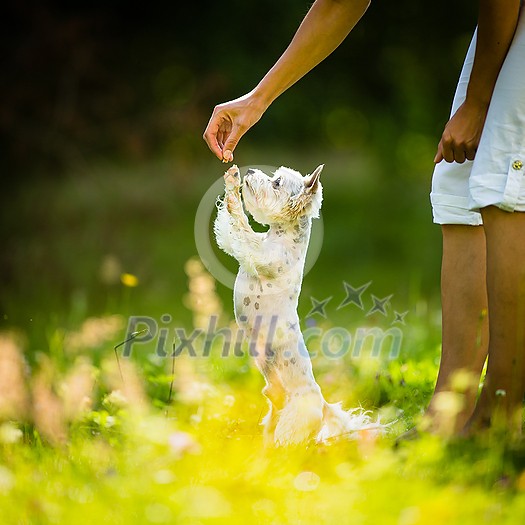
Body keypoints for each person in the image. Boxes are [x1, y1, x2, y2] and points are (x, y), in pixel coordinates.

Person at [203, 0, 525, 436]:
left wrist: (480, 99)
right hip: (502, 24)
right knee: (458, 190)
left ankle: (501, 419)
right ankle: (449, 414)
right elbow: (341, 2)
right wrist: (258, 99)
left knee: (505, 187)